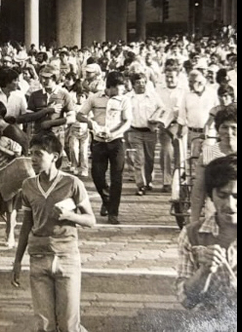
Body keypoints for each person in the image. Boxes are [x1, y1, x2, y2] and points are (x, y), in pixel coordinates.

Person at [12, 132, 95, 332]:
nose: (33, 159)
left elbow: (90, 220)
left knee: (68, 324)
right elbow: (26, 225)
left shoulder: (72, 183)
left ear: (55, 157)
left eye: (39, 154)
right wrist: (17, 261)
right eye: (31, 154)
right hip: (38, 257)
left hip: (66, 257)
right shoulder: (28, 186)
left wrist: (70, 216)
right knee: (44, 324)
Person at [175, 154, 237, 326]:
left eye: (237, 196)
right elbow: (187, 301)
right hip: (210, 324)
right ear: (210, 195)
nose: (230, 205)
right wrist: (204, 272)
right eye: (222, 195)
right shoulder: (192, 234)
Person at [77, 71, 132, 225]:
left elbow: (126, 121)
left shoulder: (124, 100)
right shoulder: (94, 98)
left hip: (116, 141)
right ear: (110, 87)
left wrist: (113, 133)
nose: (122, 92)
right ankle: (106, 198)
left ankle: (113, 212)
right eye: (119, 88)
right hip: (98, 141)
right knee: (97, 175)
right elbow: (80, 114)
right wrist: (90, 123)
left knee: (117, 177)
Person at [0, 100, 30, 248]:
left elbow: (22, 152)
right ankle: (10, 228)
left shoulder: (13, 131)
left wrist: (2, 149)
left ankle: (9, 235)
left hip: (10, 172)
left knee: (10, 205)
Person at [191, 105, 237, 224]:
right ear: (218, 129)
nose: (229, 133)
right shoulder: (208, 154)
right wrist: (194, 220)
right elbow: (199, 191)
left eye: (234, 128)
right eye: (224, 127)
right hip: (216, 213)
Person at [126, 72, 165, 196]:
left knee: (150, 159)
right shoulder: (127, 98)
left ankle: (148, 181)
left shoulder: (153, 96)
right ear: (133, 85)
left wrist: (155, 118)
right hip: (134, 131)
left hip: (150, 132)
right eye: (138, 83)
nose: (141, 85)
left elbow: (162, 108)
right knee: (139, 160)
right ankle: (140, 185)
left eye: (143, 82)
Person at [156, 62, 187, 194]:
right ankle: (167, 181)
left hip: (179, 124)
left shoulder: (184, 90)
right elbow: (156, 107)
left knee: (180, 154)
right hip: (164, 125)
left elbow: (186, 109)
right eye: (167, 76)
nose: (169, 79)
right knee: (166, 153)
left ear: (178, 77)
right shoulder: (160, 89)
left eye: (172, 77)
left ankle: (179, 180)